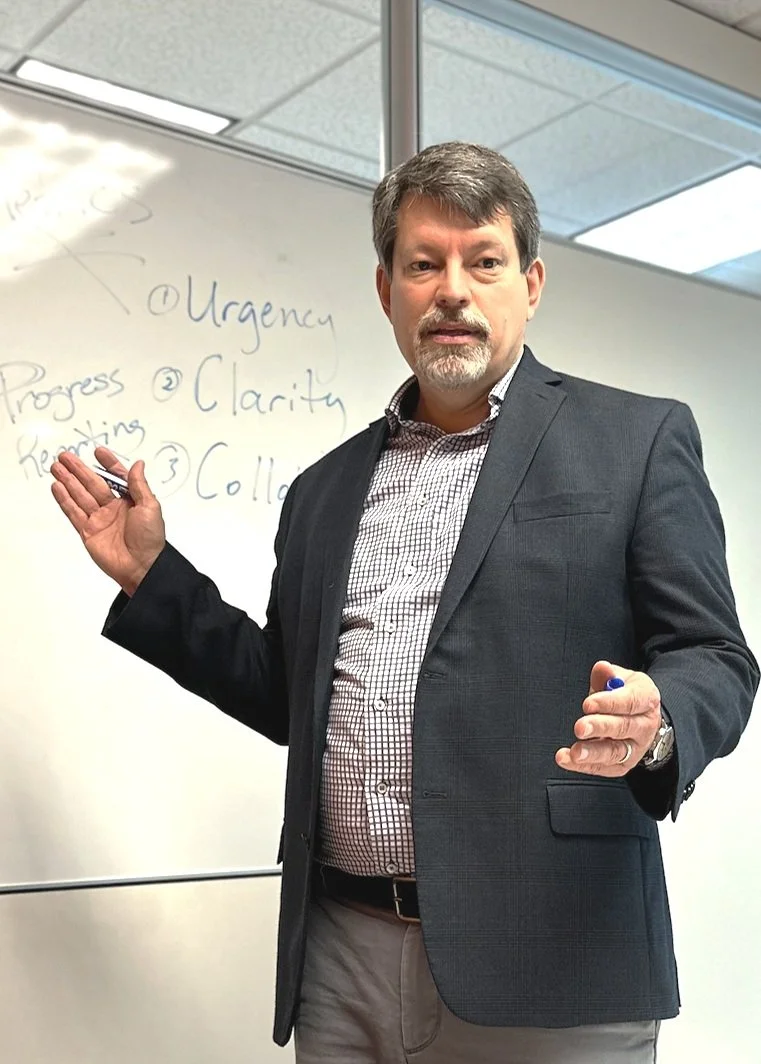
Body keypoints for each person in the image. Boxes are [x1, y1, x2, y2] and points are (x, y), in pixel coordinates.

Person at [51, 142, 758, 1064]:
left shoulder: (634, 440)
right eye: (423, 264)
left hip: (551, 953)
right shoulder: (322, 489)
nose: (452, 290)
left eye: (483, 261)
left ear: (530, 284)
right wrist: (153, 577)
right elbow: (287, 695)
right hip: (340, 955)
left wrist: (659, 722)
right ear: (387, 290)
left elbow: (714, 657)